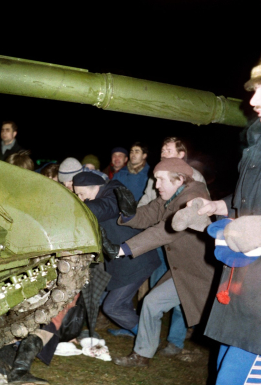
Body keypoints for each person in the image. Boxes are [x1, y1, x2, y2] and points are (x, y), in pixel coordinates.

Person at [185, 59, 261, 385]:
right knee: (230, 383)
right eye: (252, 89)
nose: (252, 100)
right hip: (245, 289)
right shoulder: (257, 142)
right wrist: (222, 207)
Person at [108, 157, 216, 366]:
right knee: (151, 303)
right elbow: (151, 212)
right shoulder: (173, 195)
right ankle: (142, 355)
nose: (156, 186)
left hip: (201, 273)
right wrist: (129, 215)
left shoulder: (194, 196)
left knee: (219, 325)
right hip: (182, 270)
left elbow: (164, 230)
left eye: (160, 180)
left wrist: (124, 249)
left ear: (179, 179)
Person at [137, 136, 208, 355]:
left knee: (183, 292)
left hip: (181, 244)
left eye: (169, 150)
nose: (164, 153)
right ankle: (148, 344)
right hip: (160, 240)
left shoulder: (191, 178)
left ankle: (175, 341)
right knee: (158, 289)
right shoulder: (158, 174)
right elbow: (149, 201)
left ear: (181, 154)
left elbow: (194, 210)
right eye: (162, 150)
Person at [73, 171, 160, 337]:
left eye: (81, 194)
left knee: (113, 307)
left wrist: (75, 208)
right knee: (123, 302)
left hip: (136, 261)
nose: (79, 198)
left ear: (95, 188)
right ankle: (132, 329)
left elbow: (103, 208)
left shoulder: (114, 191)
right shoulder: (99, 195)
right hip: (124, 262)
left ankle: (144, 336)